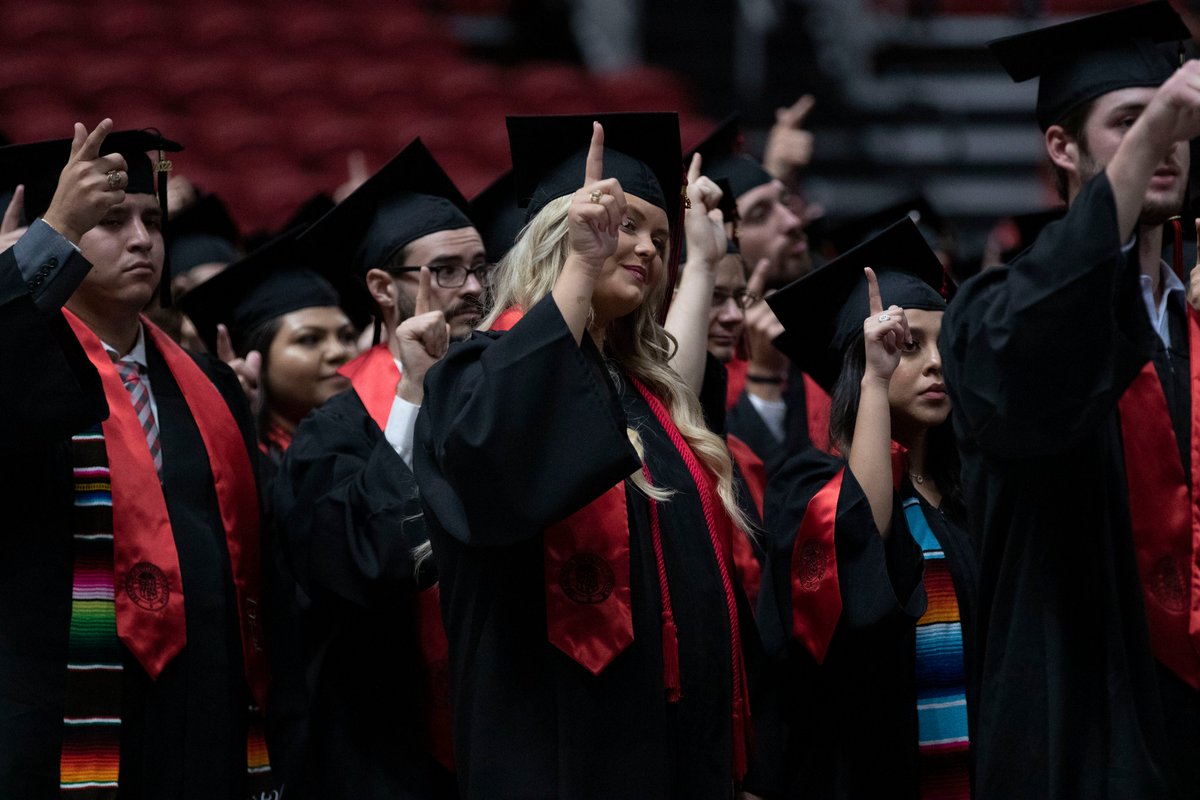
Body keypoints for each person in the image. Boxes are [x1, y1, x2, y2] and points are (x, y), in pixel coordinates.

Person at [415, 112, 769, 799]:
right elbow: (500, 449)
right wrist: (581, 264)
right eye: (625, 225)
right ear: (561, 233)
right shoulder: (474, 378)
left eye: (658, 238)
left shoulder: (641, 396)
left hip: (672, 750)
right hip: (551, 750)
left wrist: (700, 261)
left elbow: (674, 384)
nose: (646, 248)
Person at [941, 3, 1200, 796]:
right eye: (1131, 121)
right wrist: (1154, 133)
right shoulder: (991, 315)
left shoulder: (1192, 330)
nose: (1162, 141)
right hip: (1080, 719)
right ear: (1061, 145)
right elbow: (1038, 358)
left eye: (1172, 123)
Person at [0, 120, 276, 797]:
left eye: (152, 221)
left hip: (202, 713)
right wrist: (42, 248)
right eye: (109, 219)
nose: (142, 240)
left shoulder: (212, 385)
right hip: (61, 710)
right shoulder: (24, 367)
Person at [264, 139, 477, 798]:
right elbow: (349, 565)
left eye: (480, 267)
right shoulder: (332, 431)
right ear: (384, 289)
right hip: (380, 749)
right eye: (446, 270)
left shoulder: (499, 408)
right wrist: (411, 396)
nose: (473, 288)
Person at [759, 218, 976, 799]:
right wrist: (878, 383)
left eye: (944, 345)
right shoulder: (808, 488)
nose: (936, 363)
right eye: (909, 345)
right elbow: (856, 545)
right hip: (867, 771)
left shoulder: (968, 495)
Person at [693, 116, 831, 469]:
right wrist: (764, 376)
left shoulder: (825, 315)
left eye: (786, 201)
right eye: (759, 215)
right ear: (722, 239)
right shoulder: (704, 357)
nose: (792, 221)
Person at [178, 231, 360, 462]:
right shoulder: (244, 464)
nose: (338, 352)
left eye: (347, 337)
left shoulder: (375, 441)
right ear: (256, 358)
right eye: (309, 339)